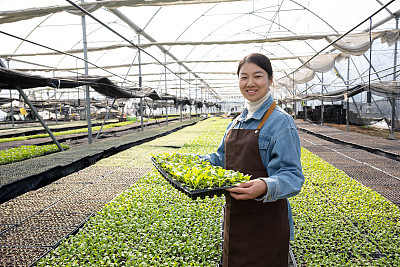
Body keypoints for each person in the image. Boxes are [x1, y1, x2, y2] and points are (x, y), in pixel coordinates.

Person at [200, 53, 304, 267]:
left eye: (257, 76)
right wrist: (193, 163)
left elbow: (293, 177)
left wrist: (265, 186)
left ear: (270, 80)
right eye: (244, 77)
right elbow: (222, 158)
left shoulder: (281, 123)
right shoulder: (237, 121)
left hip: (266, 223)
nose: (250, 83)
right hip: (235, 218)